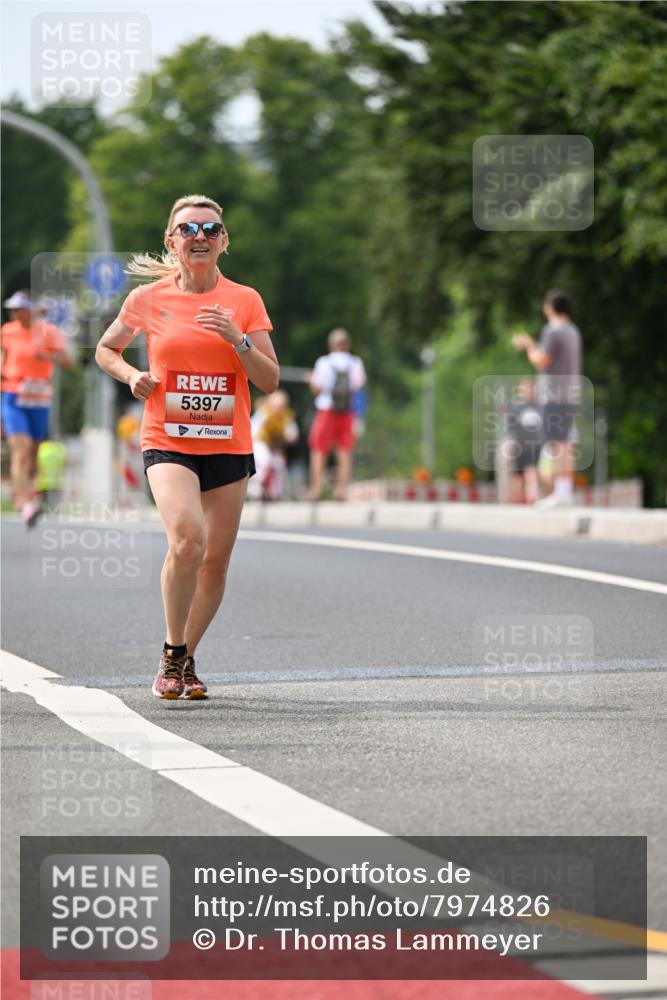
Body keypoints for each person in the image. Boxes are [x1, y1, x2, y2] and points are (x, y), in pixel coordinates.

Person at [95, 194, 279, 699]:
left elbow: (269, 380)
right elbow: (105, 349)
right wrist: (132, 374)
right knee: (187, 540)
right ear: (171, 241)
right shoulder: (148, 299)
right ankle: (172, 652)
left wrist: (238, 340)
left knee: (215, 561)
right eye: (188, 229)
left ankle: (186, 659)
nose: (199, 237)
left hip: (228, 441)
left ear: (223, 241)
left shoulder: (245, 300)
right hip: (167, 438)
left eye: (210, 228)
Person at [0, 290, 73, 526]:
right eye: (12, 309)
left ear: (30, 310)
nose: (15, 313)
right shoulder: (8, 331)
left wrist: (47, 356)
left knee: (32, 454)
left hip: (39, 399)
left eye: (19, 309)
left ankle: (25, 491)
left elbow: (68, 361)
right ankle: (23, 503)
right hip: (13, 396)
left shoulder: (48, 332)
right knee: (20, 450)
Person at [512, 289, 582, 508]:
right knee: (565, 443)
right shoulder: (573, 331)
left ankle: (561, 493)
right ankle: (564, 491)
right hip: (570, 392)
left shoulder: (553, 332)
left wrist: (529, 345)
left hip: (554, 395)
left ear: (550, 307)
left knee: (557, 444)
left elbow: (542, 361)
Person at [307, 327, 366, 501]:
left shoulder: (324, 362)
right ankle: (341, 490)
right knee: (344, 450)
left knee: (319, 448)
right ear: (347, 344)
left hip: (326, 409)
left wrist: (311, 380)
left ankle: (316, 489)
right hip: (347, 411)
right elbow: (358, 386)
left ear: (331, 344)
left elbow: (317, 389)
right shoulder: (355, 362)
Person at [250, 389, 299, 500]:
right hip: (261, 445)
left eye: (281, 406)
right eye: (276, 405)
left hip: (276, 448)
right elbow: (252, 432)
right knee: (264, 460)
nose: (278, 408)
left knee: (279, 465)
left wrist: (285, 437)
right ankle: (256, 491)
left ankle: (275, 493)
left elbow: (293, 435)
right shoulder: (263, 414)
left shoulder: (286, 417)